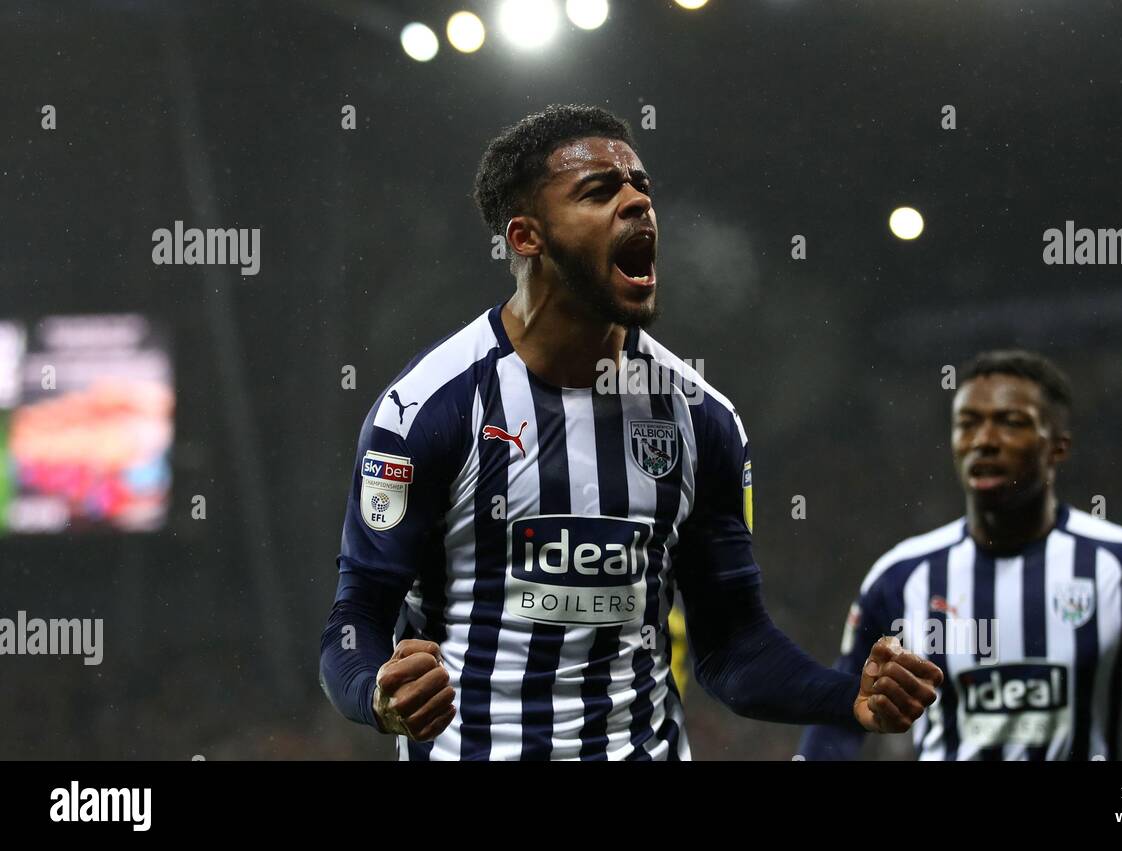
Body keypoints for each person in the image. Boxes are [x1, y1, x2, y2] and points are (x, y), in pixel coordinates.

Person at [318, 104, 941, 760]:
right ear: (527, 236)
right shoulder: (428, 408)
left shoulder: (702, 419)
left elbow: (733, 645)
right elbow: (356, 614)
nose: (637, 203)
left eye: (641, 186)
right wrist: (374, 691)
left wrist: (846, 697)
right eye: (599, 191)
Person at [798, 350, 1122, 760]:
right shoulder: (899, 578)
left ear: (1058, 445)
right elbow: (840, 714)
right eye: (967, 423)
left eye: (1010, 422)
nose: (984, 441)